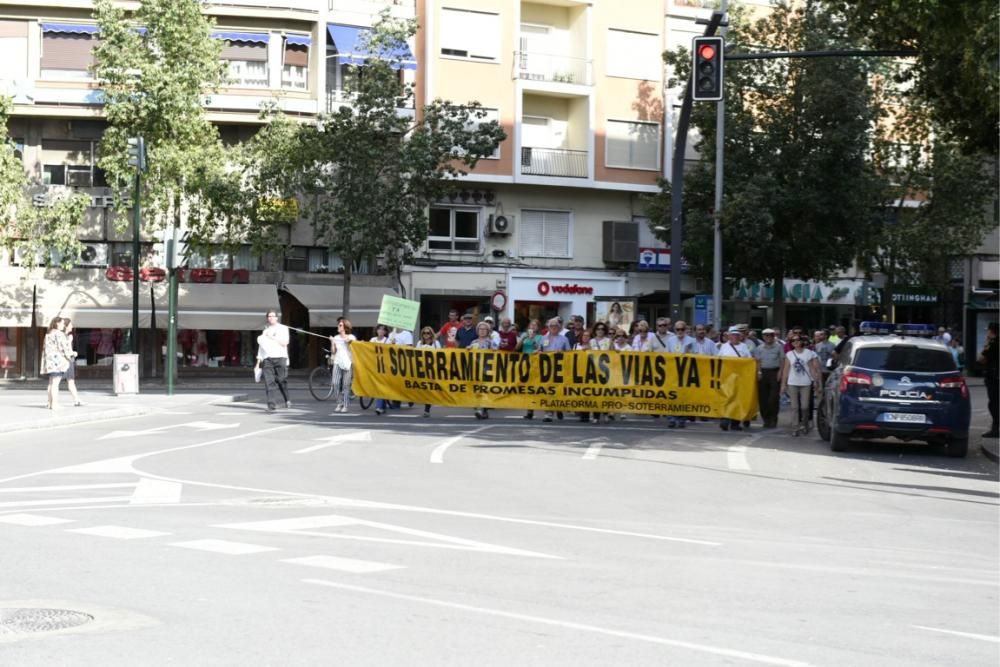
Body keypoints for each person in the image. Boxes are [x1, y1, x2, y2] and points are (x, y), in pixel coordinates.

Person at [781, 335, 821, 436]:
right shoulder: (789, 354)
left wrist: (816, 381)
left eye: (797, 340)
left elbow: (812, 368)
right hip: (792, 382)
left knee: (805, 406)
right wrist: (783, 384)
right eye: (793, 341)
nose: (795, 342)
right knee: (794, 406)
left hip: (806, 383)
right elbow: (786, 370)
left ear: (801, 341)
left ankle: (804, 424)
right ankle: (795, 427)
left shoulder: (808, 353)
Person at [717, 326, 752, 431]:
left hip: (740, 378)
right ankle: (725, 419)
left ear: (740, 337)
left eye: (737, 335)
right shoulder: (723, 347)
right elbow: (718, 360)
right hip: (727, 377)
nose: (735, 337)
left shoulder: (744, 347)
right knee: (727, 398)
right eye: (733, 335)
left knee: (738, 399)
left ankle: (735, 423)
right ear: (729, 336)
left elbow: (749, 361)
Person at [255, 310, 290, 412]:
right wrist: (258, 363)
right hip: (268, 359)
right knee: (269, 382)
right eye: (269, 316)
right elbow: (261, 347)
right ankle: (271, 405)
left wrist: (273, 337)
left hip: (280, 357)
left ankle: (287, 399)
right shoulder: (265, 331)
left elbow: (285, 342)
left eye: (272, 316)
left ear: (276, 318)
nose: (270, 318)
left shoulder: (283, 328)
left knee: (281, 380)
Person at [540, 317, 571, 422]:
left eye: (556, 326)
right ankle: (548, 413)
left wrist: (562, 353)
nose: (553, 328)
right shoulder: (543, 338)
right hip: (546, 368)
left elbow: (569, 353)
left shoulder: (564, 339)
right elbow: (539, 350)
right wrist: (538, 352)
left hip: (559, 368)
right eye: (551, 326)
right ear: (548, 327)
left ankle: (558, 407)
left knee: (558, 390)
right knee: (548, 390)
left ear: (559, 327)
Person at [752, 328, 784, 428]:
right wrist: (759, 372)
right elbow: (758, 361)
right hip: (763, 373)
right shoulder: (759, 348)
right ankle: (766, 419)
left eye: (771, 335)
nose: (768, 337)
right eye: (766, 336)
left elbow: (782, 360)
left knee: (773, 398)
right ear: (763, 337)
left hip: (775, 372)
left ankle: (773, 418)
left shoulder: (779, 347)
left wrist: (780, 372)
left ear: (774, 336)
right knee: (763, 398)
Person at [42, 317, 73, 410]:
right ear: (57, 323)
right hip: (58, 362)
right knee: (55, 384)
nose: (63, 325)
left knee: (51, 383)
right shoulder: (59, 334)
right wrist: (71, 355)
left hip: (50, 361)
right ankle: (54, 404)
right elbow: (63, 348)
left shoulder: (49, 333)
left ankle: (50, 403)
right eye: (62, 323)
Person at [467, 321, 496, 419]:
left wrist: (493, 350)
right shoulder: (473, 342)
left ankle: (483, 409)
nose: (482, 331)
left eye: (484, 329)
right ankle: (479, 410)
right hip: (475, 370)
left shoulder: (490, 342)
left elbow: (497, 353)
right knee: (475, 390)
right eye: (480, 329)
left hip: (487, 370)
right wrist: (468, 350)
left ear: (488, 331)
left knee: (485, 390)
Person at [328, 319, 356, 413]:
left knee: (346, 385)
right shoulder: (336, 337)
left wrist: (347, 341)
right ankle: (339, 403)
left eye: (340, 325)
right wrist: (332, 342)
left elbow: (353, 349)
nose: (338, 327)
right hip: (337, 362)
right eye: (338, 325)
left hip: (348, 363)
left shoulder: (351, 337)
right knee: (335, 383)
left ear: (345, 327)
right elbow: (333, 351)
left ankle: (346, 405)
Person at [518, 319, 544, 419]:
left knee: (535, 386)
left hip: (535, 362)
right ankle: (529, 410)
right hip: (524, 362)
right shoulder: (524, 335)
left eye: (535, 325)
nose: (533, 327)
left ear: (538, 327)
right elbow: (517, 348)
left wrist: (533, 339)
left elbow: (539, 348)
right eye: (531, 325)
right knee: (527, 387)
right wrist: (522, 339)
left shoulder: (540, 337)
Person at [978, 322, 998, 438]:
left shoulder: (993, 344)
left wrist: (986, 343)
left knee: (994, 404)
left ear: (992, 331)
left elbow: (981, 359)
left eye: (988, 331)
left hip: (994, 378)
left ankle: (996, 429)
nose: (987, 333)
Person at [415, 326, 440, 417]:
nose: (426, 335)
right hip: (421, 368)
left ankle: (427, 409)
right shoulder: (419, 343)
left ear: (431, 334)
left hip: (432, 369)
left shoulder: (436, 343)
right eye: (424, 333)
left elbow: (440, 355)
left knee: (429, 389)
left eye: (428, 333)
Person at [370, 324, 393, 416]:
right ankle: (382, 406)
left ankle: (379, 407)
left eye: (383, 330)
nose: (381, 331)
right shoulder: (372, 340)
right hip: (374, 366)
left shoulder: (388, 341)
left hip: (385, 367)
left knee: (381, 386)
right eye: (379, 329)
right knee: (379, 387)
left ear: (385, 332)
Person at [62, 318, 83, 407]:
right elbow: (64, 349)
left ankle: (77, 399)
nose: (72, 326)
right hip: (64, 360)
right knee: (55, 381)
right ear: (66, 326)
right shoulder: (63, 336)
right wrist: (73, 353)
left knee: (70, 381)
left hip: (68, 360)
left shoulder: (68, 336)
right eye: (70, 325)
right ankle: (50, 401)